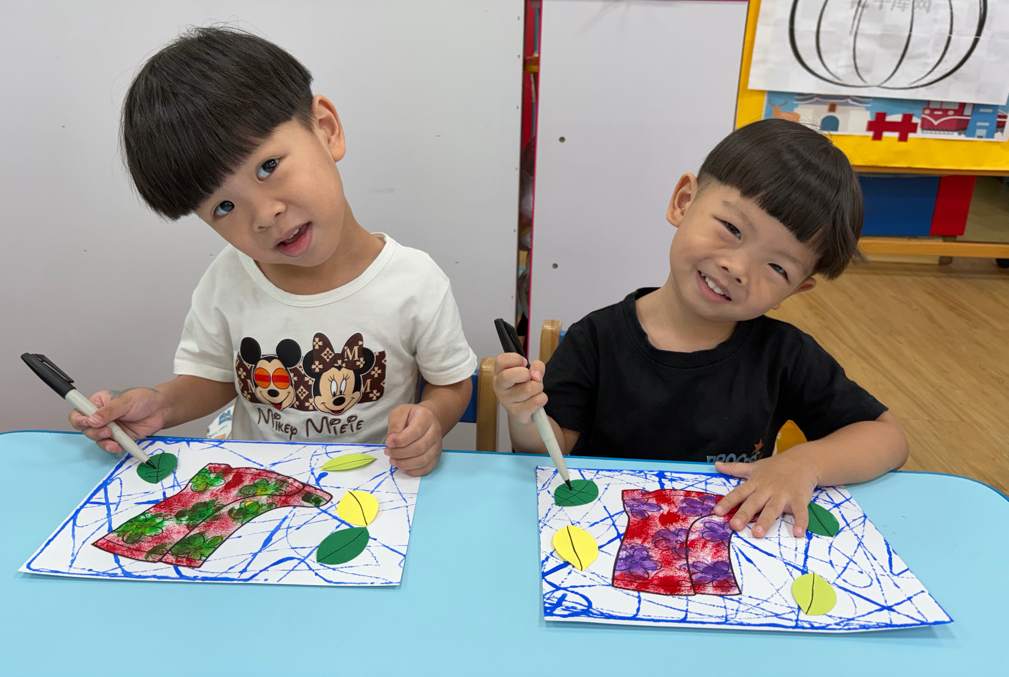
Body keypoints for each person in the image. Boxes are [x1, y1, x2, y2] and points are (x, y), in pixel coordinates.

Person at [70, 26, 477, 476]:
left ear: (326, 130)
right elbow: (212, 379)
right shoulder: (228, 279)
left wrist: (431, 419)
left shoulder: (415, 281)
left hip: (371, 484)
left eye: (268, 166)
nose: (264, 215)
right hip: (259, 482)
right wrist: (161, 405)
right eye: (224, 207)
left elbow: (451, 384)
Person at [493, 119, 908, 537]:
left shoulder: (785, 356)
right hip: (603, 535)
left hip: (727, 540)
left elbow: (888, 439)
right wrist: (526, 416)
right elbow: (550, 450)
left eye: (777, 267)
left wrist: (804, 463)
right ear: (683, 201)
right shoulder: (596, 339)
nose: (738, 268)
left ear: (795, 290)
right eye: (732, 229)